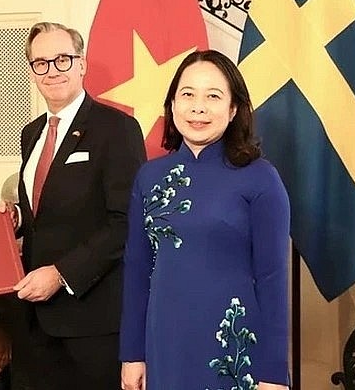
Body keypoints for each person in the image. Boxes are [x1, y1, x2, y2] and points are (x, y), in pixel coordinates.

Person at [120, 50, 290, 390]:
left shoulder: (260, 178)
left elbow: (273, 279)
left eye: (213, 96)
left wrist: (273, 373)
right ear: (171, 105)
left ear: (233, 110)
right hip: (164, 345)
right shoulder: (150, 177)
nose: (198, 107)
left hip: (236, 349)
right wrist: (132, 354)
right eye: (187, 95)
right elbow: (137, 270)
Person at [11, 21, 146, 390]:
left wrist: (61, 274)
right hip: (33, 319)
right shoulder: (32, 132)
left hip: (91, 321)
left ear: (82, 64)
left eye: (62, 60)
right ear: (31, 71)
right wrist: (16, 217)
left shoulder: (117, 129)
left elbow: (125, 222)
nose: (51, 70)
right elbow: (46, 210)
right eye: (41, 62)